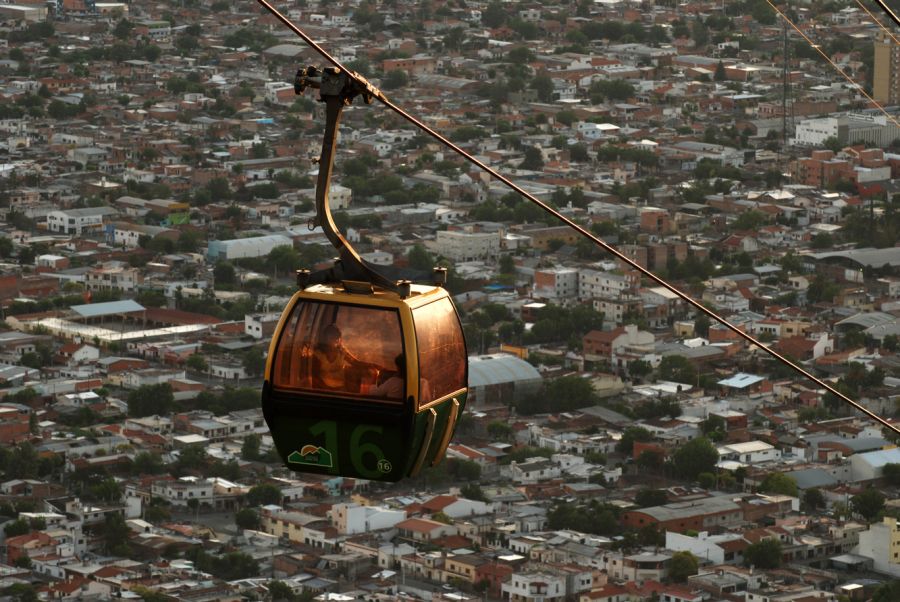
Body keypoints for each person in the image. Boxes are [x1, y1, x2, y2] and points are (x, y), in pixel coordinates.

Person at [312, 324, 376, 393]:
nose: (336, 339)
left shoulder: (341, 351)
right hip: (323, 389)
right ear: (325, 338)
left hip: (341, 388)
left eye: (337, 337)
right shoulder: (318, 355)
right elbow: (314, 377)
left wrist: (373, 365)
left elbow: (355, 362)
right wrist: (325, 390)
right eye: (332, 337)